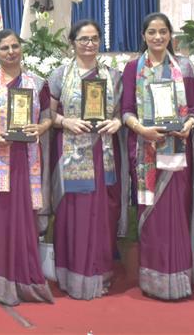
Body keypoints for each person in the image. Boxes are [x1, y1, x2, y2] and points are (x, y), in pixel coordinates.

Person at [119, 12, 194, 300]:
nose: (158, 37)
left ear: (171, 35)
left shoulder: (184, 67)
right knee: (152, 216)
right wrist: (141, 130)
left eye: (163, 32)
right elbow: (126, 111)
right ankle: (154, 281)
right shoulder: (133, 68)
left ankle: (179, 279)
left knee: (177, 214)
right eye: (152, 32)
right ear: (143, 36)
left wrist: (189, 125)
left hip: (177, 155)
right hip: (145, 152)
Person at [0, 29, 54, 305]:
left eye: (15, 46)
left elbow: (48, 117)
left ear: (21, 49)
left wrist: (40, 128)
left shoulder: (37, 83)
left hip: (26, 159)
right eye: (4, 48)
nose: (11, 52)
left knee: (24, 218)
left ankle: (24, 278)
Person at [47, 19, 124, 300]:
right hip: (71, 151)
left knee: (101, 215)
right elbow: (47, 114)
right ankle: (72, 275)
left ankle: (99, 274)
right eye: (83, 39)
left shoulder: (113, 76)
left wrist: (117, 122)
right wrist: (65, 121)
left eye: (94, 39)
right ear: (72, 42)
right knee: (73, 214)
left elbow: (121, 112)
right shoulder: (59, 75)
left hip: (103, 150)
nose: (89, 44)